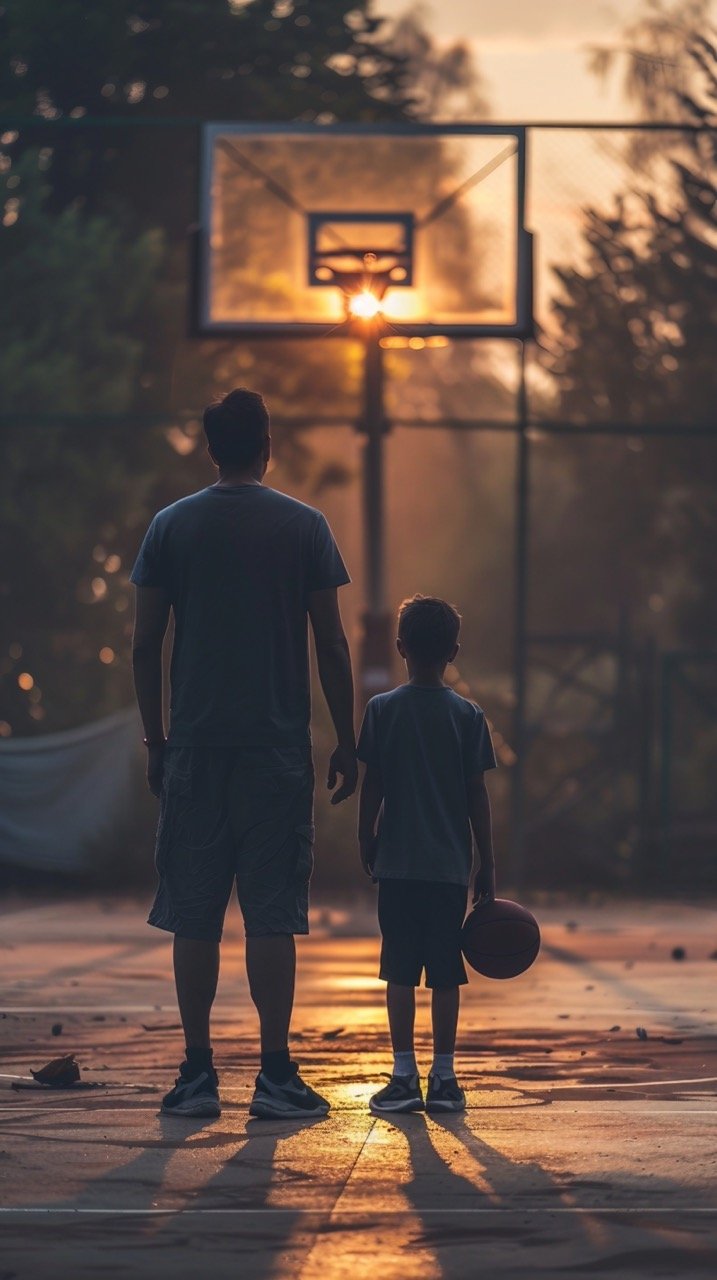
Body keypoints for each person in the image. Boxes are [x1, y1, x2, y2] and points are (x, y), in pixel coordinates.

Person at [131, 388, 356, 1120]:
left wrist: (156, 741)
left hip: (195, 746)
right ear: (267, 444)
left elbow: (144, 643)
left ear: (209, 448)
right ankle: (274, 1075)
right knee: (271, 914)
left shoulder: (171, 526)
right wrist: (347, 739)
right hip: (274, 749)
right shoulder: (304, 527)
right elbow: (329, 642)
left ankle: (196, 1073)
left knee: (193, 913)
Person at [357, 594, 497, 1115]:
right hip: (447, 870)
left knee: (397, 972)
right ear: (453, 651)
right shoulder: (468, 715)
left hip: (397, 865)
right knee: (445, 974)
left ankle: (402, 1075)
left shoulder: (382, 710)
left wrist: (364, 835)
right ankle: (444, 1078)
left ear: (399, 648)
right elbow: (476, 795)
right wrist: (488, 861)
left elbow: (373, 783)